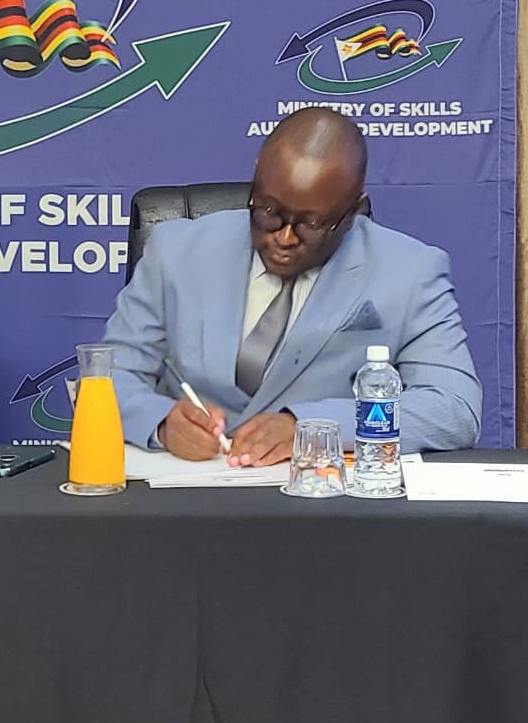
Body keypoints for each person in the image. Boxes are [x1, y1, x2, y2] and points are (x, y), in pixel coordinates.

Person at [100, 106, 482, 465]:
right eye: (269, 212)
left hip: (323, 497)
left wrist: (312, 426)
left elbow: (454, 409)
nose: (283, 238)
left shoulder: (410, 272)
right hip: (186, 490)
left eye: (311, 225)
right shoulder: (176, 250)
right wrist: (162, 423)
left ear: (351, 212)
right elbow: (107, 378)